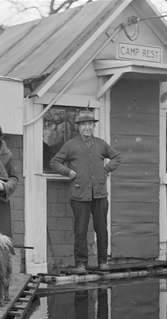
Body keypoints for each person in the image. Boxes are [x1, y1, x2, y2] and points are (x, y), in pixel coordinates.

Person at [50, 109, 121, 274]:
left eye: (89, 124)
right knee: (80, 230)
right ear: (79, 127)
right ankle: (81, 264)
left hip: (99, 194)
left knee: (101, 228)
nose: (87, 128)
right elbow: (55, 162)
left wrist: (106, 169)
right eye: (83, 125)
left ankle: (103, 261)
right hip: (79, 194)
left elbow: (117, 157)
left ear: (93, 126)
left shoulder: (101, 144)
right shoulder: (71, 145)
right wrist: (68, 172)